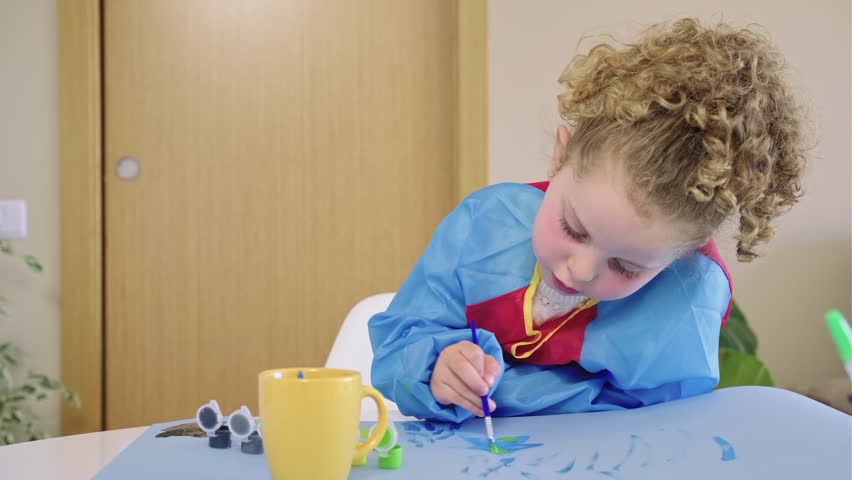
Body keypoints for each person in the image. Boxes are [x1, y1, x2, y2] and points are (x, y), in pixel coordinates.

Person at [369, 18, 806, 422]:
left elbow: (665, 427)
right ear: (561, 158)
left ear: (684, 253)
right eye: (574, 228)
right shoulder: (484, 226)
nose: (580, 270)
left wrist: (511, 390)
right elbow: (399, 345)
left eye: (627, 266)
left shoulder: (688, 300)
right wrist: (436, 366)